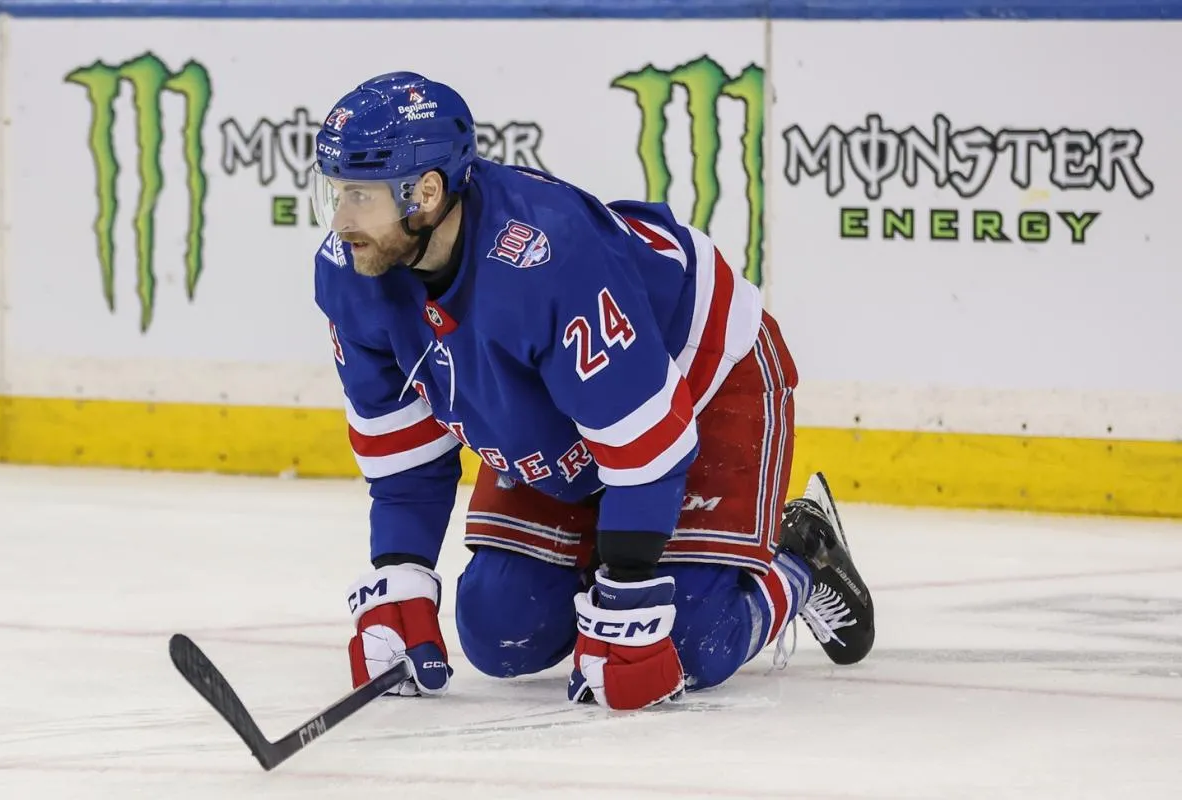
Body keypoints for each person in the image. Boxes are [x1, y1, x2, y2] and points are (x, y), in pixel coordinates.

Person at [310, 71, 875, 711]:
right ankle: (612, 577)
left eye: (360, 196)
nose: (341, 219)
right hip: (567, 425)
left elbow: (644, 442)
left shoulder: (546, 261)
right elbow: (404, 452)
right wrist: (400, 574)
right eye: (335, 192)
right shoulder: (350, 273)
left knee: (689, 642)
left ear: (427, 193)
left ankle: (800, 554)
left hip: (704, 382)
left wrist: (630, 589)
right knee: (500, 633)